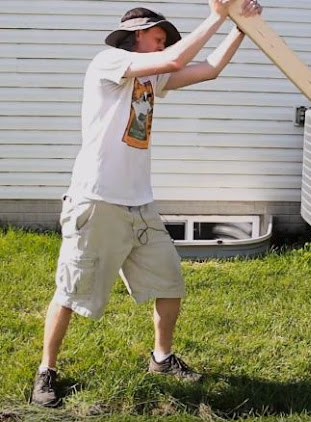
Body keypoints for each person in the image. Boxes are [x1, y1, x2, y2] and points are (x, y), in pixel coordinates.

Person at [31, 0, 262, 408]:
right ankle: (46, 370)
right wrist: (216, 15)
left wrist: (241, 28)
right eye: (159, 36)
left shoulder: (153, 78)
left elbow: (209, 69)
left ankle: (162, 358)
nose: (165, 42)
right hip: (96, 199)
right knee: (70, 289)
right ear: (139, 34)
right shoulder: (108, 61)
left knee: (169, 281)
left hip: (140, 204)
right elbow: (175, 60)